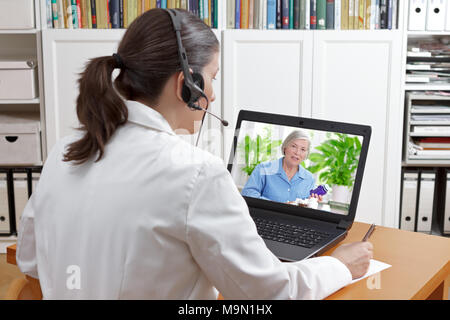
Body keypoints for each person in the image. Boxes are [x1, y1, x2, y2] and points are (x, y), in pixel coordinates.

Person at [16, 9, 372, 299]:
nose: (212, 95)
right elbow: (271, 292)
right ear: (184, 83)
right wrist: (339, 265)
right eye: (211, 77)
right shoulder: (196, 173)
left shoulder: (65, 151)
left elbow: (30, 261)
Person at [241, 130, 322, 203]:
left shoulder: (309, 178)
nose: (297, 152)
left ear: (306, 155)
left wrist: (313, 201)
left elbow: (307, 205)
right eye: (294, 146)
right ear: (285, 147)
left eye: (303, 149)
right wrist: (279, 206)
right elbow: (248, 194)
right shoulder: (263, 169)